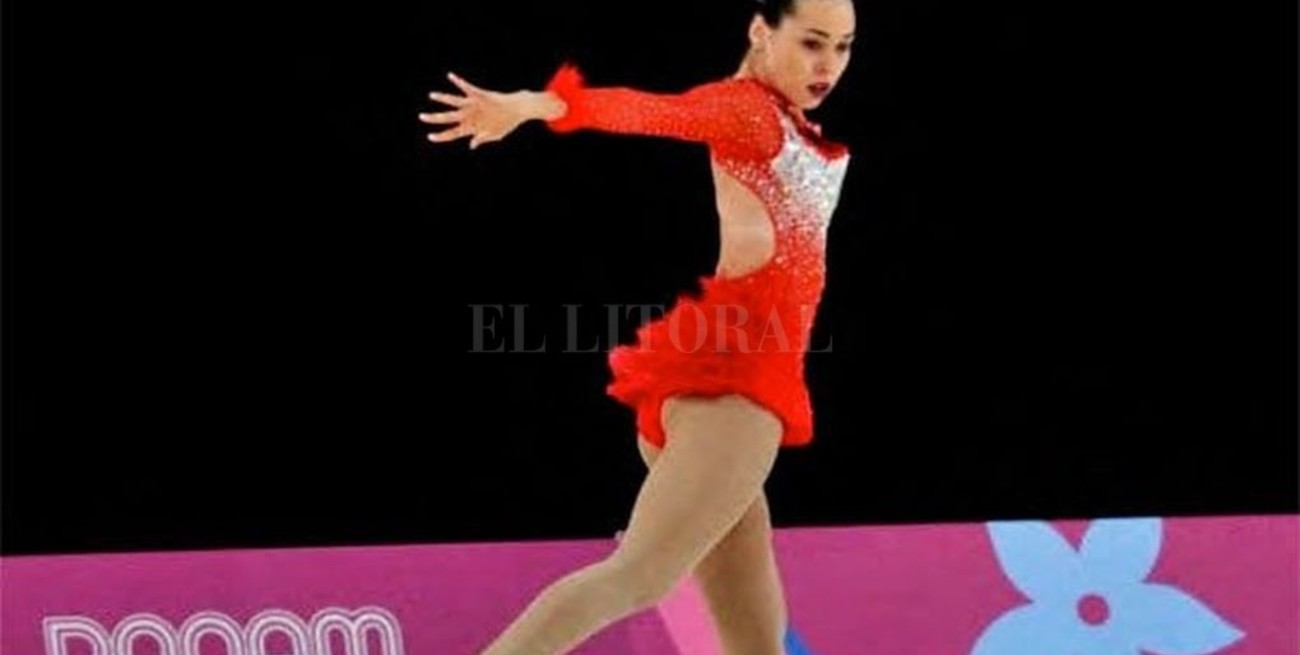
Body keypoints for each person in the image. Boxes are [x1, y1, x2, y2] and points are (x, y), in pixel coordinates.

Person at [419, 0, 855, 652]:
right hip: (736, 386)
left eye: (844, 47)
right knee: (637, 577)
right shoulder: (746, 111)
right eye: (812, 42)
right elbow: (654, 111)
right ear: (762, 31)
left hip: (720, 382)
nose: (828, 64)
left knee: (755, 641)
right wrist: (542, 104)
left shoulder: (781, 121)